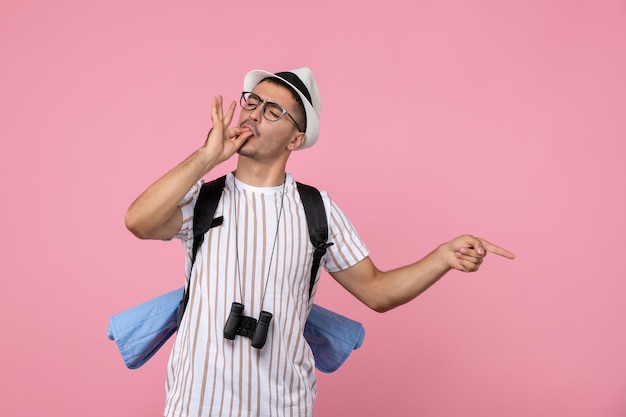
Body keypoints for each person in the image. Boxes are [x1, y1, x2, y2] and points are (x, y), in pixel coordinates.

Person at [124, 67, 515, 417]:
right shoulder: (203, 198)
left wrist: (442, 258)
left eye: (273, 110)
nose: (255, 114)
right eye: (252, 101)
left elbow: (378, 292)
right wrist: (207, 156)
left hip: (282, 407)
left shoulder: (318, 210)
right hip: (196, 405)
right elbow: (139, 221)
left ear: (296, 139)